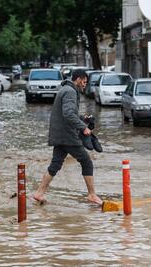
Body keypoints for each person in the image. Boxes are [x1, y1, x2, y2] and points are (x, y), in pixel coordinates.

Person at [33, 69, 102, 205]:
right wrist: (84, 127)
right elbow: (68, 114)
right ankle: (92, 195)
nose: (84, 85)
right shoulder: (70, 92)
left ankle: (39, 193)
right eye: (84, 82)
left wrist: (83, 118)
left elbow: (69, 113)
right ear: (78, 79)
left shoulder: (66, 89)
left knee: (56, 164)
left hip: (60, 134)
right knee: (86, 161)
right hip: (67, 135)